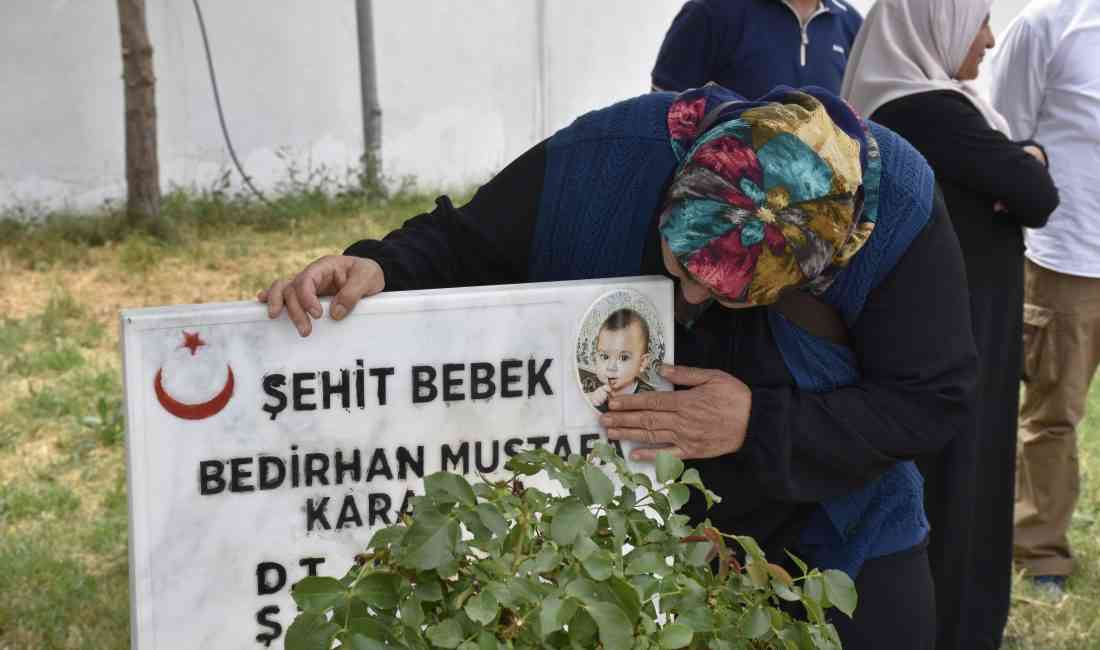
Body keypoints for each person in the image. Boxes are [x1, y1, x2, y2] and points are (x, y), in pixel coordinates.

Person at [261, 85, 977, 649]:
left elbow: (932, 399)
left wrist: (757, 422)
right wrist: (380, 266)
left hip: (833, 523)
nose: (691, 299)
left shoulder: (897, 212)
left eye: (728, 295)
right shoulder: (604, 159)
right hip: (627, 543)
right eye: (680, 264)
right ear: (676, 190)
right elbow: (464, 242)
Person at [841, 1, 1060, 648]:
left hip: (934, 328)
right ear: (935, 23)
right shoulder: (928, 111)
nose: (989, 39)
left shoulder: (900, 105)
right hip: (961, 333)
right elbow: (1037, 195)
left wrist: (1017, 164)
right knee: (962, 485)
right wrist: (1028, 158)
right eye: (978, 21)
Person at [987, 0, 1100, 597]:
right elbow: (1005, 137)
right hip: (1067, 258)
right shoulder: (1048, 25)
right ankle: (1040, 553)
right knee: (1053, 413)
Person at [651, 0, 863, 97]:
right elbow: (662, 123)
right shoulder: (709, 12)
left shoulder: (853, 24)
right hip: (720, 174)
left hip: (828, 175)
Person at [582, 309, 655, 412]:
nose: (611, 367)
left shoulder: (646, 396)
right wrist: (590, 398)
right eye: (605, 356)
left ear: (642, 363)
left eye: (623, 358)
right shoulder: (591, 384)